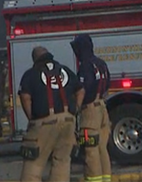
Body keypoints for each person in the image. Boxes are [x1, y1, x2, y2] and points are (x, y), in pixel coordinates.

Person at [17, 46, 80, 182]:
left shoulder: (31, 73)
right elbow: (80, 90)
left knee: (34, 164)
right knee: (62, 163)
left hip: (44, 122)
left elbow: (25, 96)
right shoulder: (65, 70)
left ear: (34, 59)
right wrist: (76, 109)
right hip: (68, 121)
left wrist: (31, 118)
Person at [71, 34, 111, 182]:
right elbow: (107, 85)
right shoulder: (101, 63)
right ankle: (106, 179)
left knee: (90, 150)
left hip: (90, 111)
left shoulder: (85, 66)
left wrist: (76, 108)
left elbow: (83, 89)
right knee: (102, 149)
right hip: (102, 107)